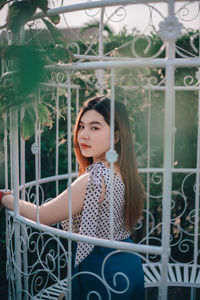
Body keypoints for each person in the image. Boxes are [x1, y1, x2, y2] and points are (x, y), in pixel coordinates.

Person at [0, 96, 145, 299]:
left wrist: (5, 197)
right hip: (127, 263)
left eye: (95, 128)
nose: (83, 135)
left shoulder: (94, 179)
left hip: (100, 271)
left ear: (116, 137)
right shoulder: (122, 169)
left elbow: (42, 215)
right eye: (82, 126)